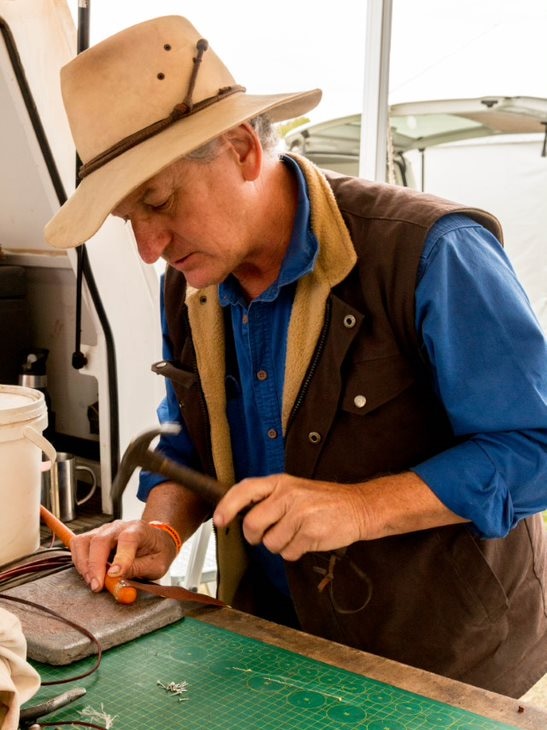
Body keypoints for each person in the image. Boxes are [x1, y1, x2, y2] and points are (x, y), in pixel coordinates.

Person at [45, 16, 547, 698]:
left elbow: (531, 445)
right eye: (129, 219)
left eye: (158, 202)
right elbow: (189, 451)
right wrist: (159, 528)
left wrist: (363, 507)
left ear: (241, 148)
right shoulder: (189, 285)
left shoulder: (429, 251)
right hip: (281, 642)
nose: (148, 245)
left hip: (446, 666)